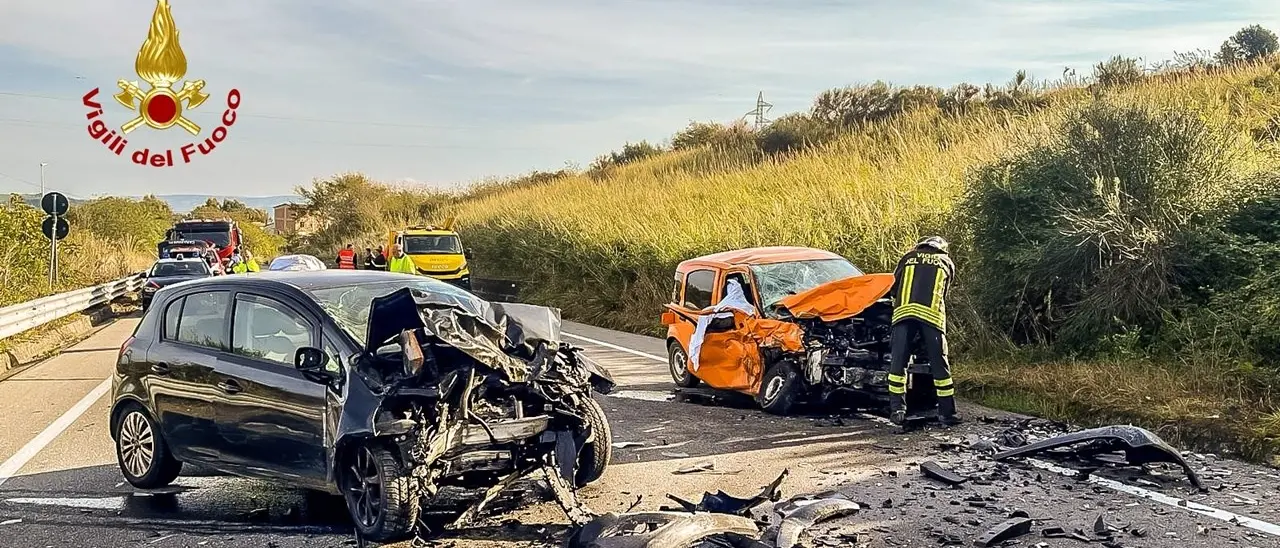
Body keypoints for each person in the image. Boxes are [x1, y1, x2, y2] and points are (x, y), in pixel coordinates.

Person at [887, 235, 959, 427]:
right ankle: (947, 414)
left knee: (898, 364)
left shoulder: (908, 257)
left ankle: (897, 410)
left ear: (921, 245)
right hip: (931, 317)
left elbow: (893, 288)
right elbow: (944, 292)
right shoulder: (945, 261)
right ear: (942, 248)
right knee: (939, 365)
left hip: (903, 315)